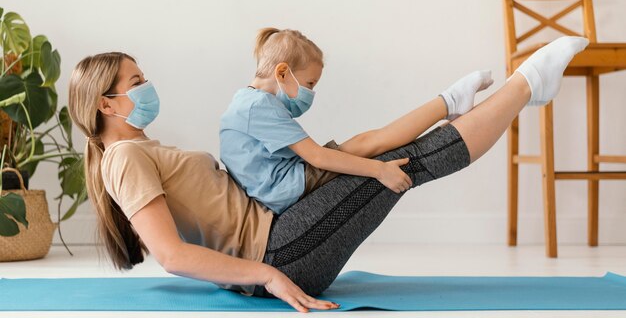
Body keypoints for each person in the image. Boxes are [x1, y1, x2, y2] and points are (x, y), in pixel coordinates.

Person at [67, 35, 588, 313]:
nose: (148, 85)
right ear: (109, 104)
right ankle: (528, 84)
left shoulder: (138, 152)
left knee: (385, 153)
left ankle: (512, 88)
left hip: (284, 231)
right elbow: (171, 256)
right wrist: (269, 274)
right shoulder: (125, 159)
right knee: (403, 164)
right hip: (281, 251)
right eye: (137, 81)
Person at [219, 28, 495, 214]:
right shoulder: (258, 106)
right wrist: (378, 170)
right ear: (282, 72)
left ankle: (450, 104)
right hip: (286, 189)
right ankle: (449, 101)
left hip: (284, 183)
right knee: (370, 143)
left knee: (367, 142)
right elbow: (316, 156)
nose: (310, 93)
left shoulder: (245, 102)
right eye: (309, 83)